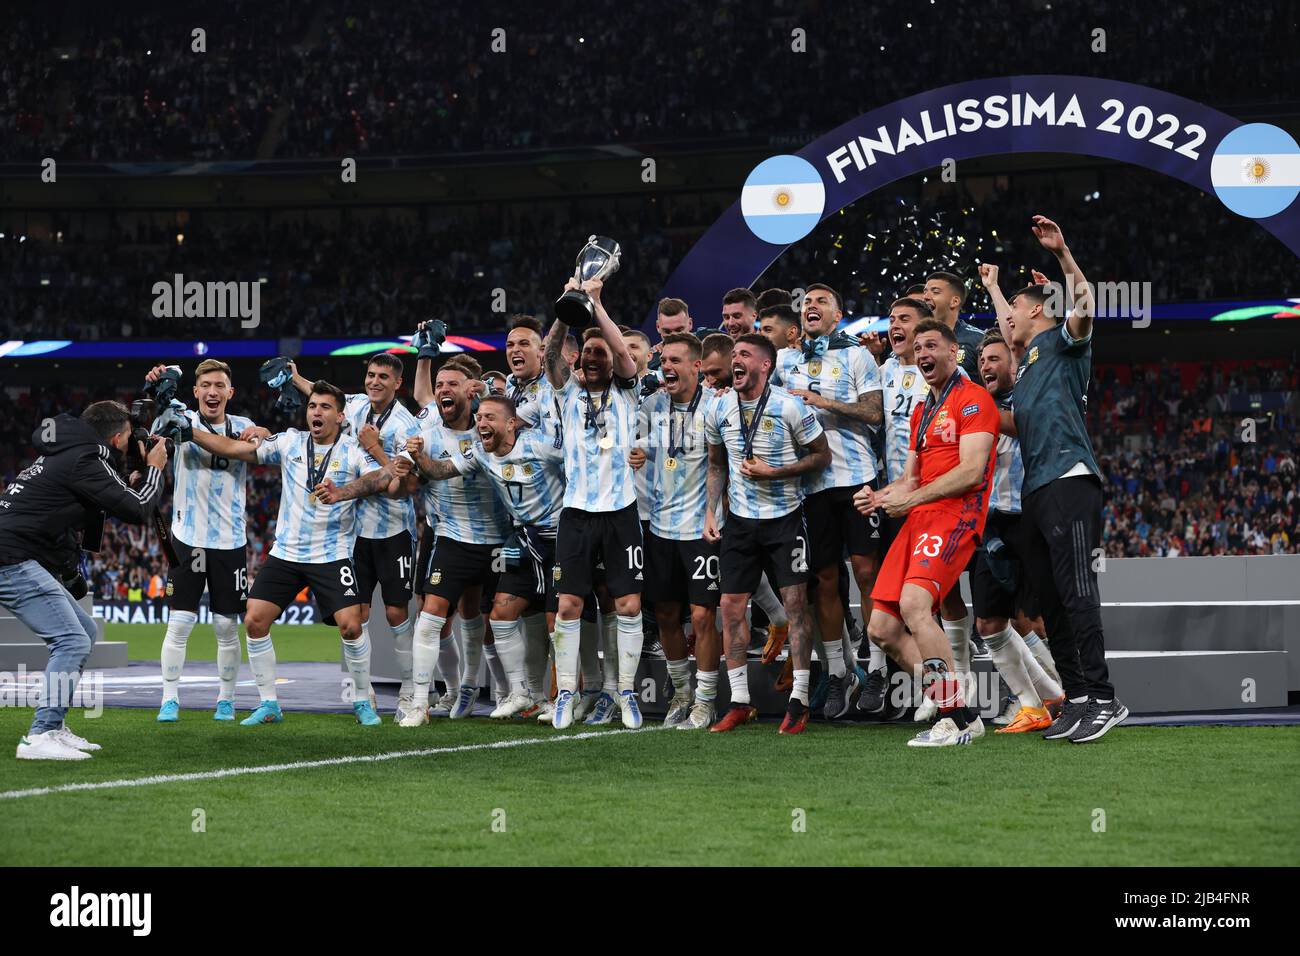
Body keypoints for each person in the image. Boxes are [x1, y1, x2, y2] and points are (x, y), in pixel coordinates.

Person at [184, 380, 391, 727]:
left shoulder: (354, 451)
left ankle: (361, 699)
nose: (317, 412)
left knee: (351, 627)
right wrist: (191, 433)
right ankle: (269, 703)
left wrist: (343, 492)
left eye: (325, 407)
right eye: (312, 406)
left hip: (332, 554)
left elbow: (383, 478)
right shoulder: (290, 442)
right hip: (287, 553)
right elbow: (237, 450)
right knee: (254, 620)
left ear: (340, 417)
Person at [998, 216, 1128, 743]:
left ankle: (1104, 699)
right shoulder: (1026, 366)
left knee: (1077, 590)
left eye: (1014, 308)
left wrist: (1062, 253)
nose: (1007, 318)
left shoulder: (1067, 343)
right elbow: (1008, 419)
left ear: (1036, 310)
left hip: (1071, 478)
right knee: (1049, 600)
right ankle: (1075, 699)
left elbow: (1085, 303)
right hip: (1037, 489)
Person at [853, 319, 998, 748]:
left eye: (932, 346)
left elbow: (972, 473)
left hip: (956, 517)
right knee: (880, 627)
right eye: (918, 349)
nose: (923, 354)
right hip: (921, 518)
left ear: (955, 352)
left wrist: (909, 501)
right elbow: (910, 480)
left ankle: (953, 720)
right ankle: (960, 711)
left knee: (916, 604)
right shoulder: (922, 409)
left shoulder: (973, 401)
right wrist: (879, 497)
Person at [3, 401, 168, 760]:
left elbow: (106, 498)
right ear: (118, 436)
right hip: (11, 556)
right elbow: (137, 510)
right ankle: (40, 735)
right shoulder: (85, 460)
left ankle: (54, 726)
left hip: (15, 551)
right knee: (72, 638)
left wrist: (132, 482)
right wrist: (155, 469)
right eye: (126, 441)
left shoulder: (69, 452)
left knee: (84, 632)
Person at [397, 395, 566, 720]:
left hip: (560, 538)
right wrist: (418, 457)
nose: (481, 423)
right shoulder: (480, 453)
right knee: (502, 614)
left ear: (511, 423)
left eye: (489, 417)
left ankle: (569, 695)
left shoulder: (541, 446)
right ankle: (519, 693)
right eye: (480, 418)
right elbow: (441, 470)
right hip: (522, 538)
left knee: (555, 620)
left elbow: (578, 462)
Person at [704, 334, 829, 735]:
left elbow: (821, 456)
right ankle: (740, 701)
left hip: (786, 516)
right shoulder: (719, 407)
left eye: (744, 355)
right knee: (730, 607)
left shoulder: (789, 406)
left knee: (795, 604)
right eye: (733, 354)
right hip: (740, 521)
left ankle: (800, 701)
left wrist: (774, 472)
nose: (735, 360)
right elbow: (715, 463)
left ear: (765, 365)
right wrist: (711, 510)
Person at [290, 353, 422, 722]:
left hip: (394, 528)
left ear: (398, 383)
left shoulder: (406, 424)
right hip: (354, 532)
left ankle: (410, 689)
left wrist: (375, 447)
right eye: (370, 375)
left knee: (396, 612)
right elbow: (325, 398)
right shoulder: (357, 405)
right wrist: (297, 378)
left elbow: (403, 487)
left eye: (383, 376)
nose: (374, 381)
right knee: (356, 614)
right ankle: (364, 693)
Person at [542, 275, 646, 730]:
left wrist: (597, 302)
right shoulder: (566, 391)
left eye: (599, 350)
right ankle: (566, 692)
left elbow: (624, 353)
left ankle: (625, 692)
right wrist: (568, 304)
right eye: (586, 351)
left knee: (627, 606)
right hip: (577, 514)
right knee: (568, 606)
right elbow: (549, 356)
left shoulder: (627, 389)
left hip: (621, 513)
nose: (593, 355)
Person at [779, 283, 884, 720]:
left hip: (857, 478)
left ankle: (877, 667)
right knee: (823, 579)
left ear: (838, 315)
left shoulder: (855, 355)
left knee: (865, 572)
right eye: (806, 302)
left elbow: (874, 413)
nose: (811, 306)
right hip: (811, 485)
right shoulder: (785, 361)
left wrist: (821, 401)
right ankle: (840, 673)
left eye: (822, 300)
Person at [150, 359, 266, 723]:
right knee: (180, 623)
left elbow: (259, 438)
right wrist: (156, 394)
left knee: (225, 627)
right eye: (206, 386)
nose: (213, 392)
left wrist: (260, 432)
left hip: (230, 541)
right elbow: (150, 435)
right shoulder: (177, 418)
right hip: (188, 537)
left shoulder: (244, 426)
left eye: (220, 385)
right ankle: (169, 699)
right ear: (195, 391)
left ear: (230, 392)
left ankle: (226, 700)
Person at [395, 360, 511, 721]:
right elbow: (401, 484)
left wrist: (493, 393)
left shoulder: (488, 428)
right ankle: (419, 700)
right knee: (432, 617)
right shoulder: (425, 432)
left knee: (485, 616)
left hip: (498, 536)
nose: (444, 389)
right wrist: (398, 470)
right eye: (440, 384)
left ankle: (497, 691)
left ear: (470, 389)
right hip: (449, 536)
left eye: (453, 384)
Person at [971, 330, 1064, 732]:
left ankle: (1076, 697)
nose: (986, 367)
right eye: (982, 361)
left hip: (1031, 518)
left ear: (1015, 365)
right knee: (989, 623)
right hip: (991, 524)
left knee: (1041, 617)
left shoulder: (1032, 398)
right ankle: (1041, 702)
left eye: (995, 359)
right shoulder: (976, 406)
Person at [630, 332, 721, 728]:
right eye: (664, 360)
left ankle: (705, 701)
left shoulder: (717, 407)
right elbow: (637, 444)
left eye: (676, 361)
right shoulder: (651, 405)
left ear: (697, 366)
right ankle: (681, 695)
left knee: (702, 617)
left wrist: (715, 512)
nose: (667, 366)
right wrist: (635, 451)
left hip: (701, 530)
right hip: (660, 527)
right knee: (666, 615)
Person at [857, 297, 931, 717]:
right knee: (883, 587)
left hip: (926, 498)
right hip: (888, 497)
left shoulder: (937, 375)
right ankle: (880, 670)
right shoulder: (880, 372)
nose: (894, 326)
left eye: (904, 319)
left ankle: (935, 685)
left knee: (923, 598)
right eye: (891, 319)